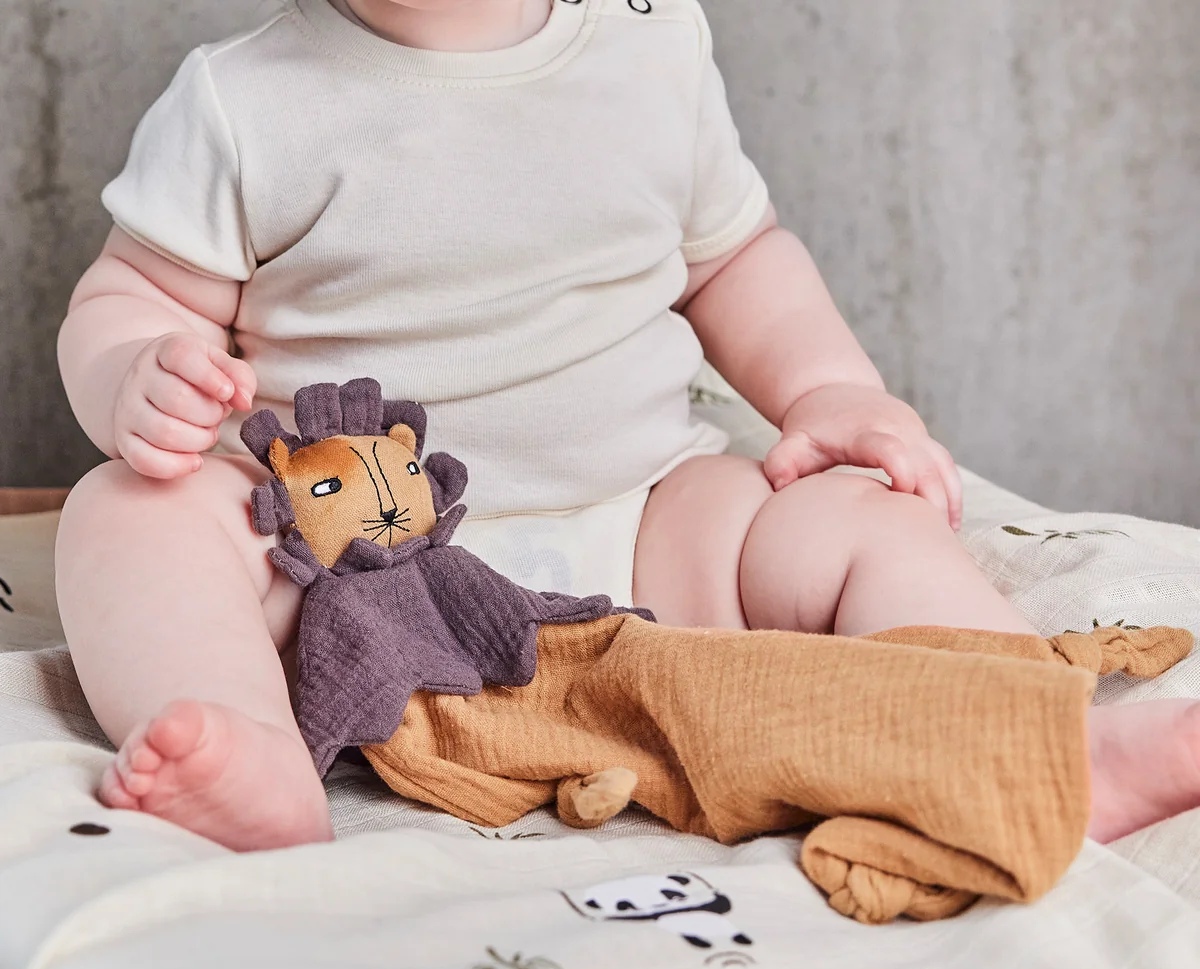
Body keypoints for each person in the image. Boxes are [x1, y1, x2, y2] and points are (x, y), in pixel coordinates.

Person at [54, 0, 1200, 852]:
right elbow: (133, 296)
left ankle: (1034, 741)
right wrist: (131, 373)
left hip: (648, 529)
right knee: (131, 512)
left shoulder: (652, 45)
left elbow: (736, 260)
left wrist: (830, 391)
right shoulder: (242, 101)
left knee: (860, 518)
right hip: (357, 577)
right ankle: (249, 749)